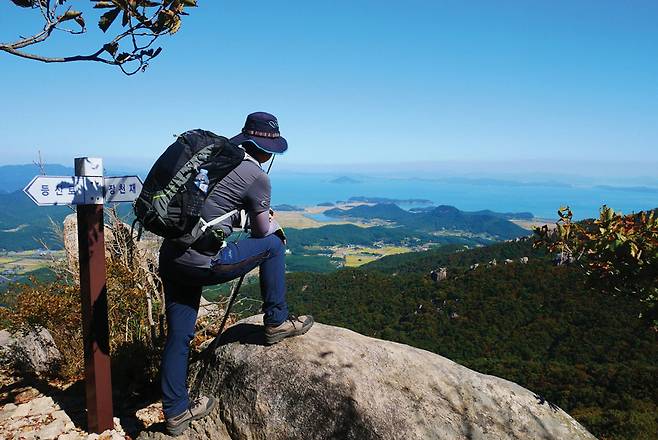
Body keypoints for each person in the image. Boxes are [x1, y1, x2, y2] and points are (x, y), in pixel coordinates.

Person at [157, 111, 314, 436]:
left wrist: (236, 215)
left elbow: (208, 207)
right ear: (268, 150)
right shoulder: (256, 176)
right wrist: (267, 219)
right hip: (203, 261)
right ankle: (277, 320)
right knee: (273, 244)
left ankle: (176, 413)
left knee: (179, 337)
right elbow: (260, 232)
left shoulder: (212, 159)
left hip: (172, 256)